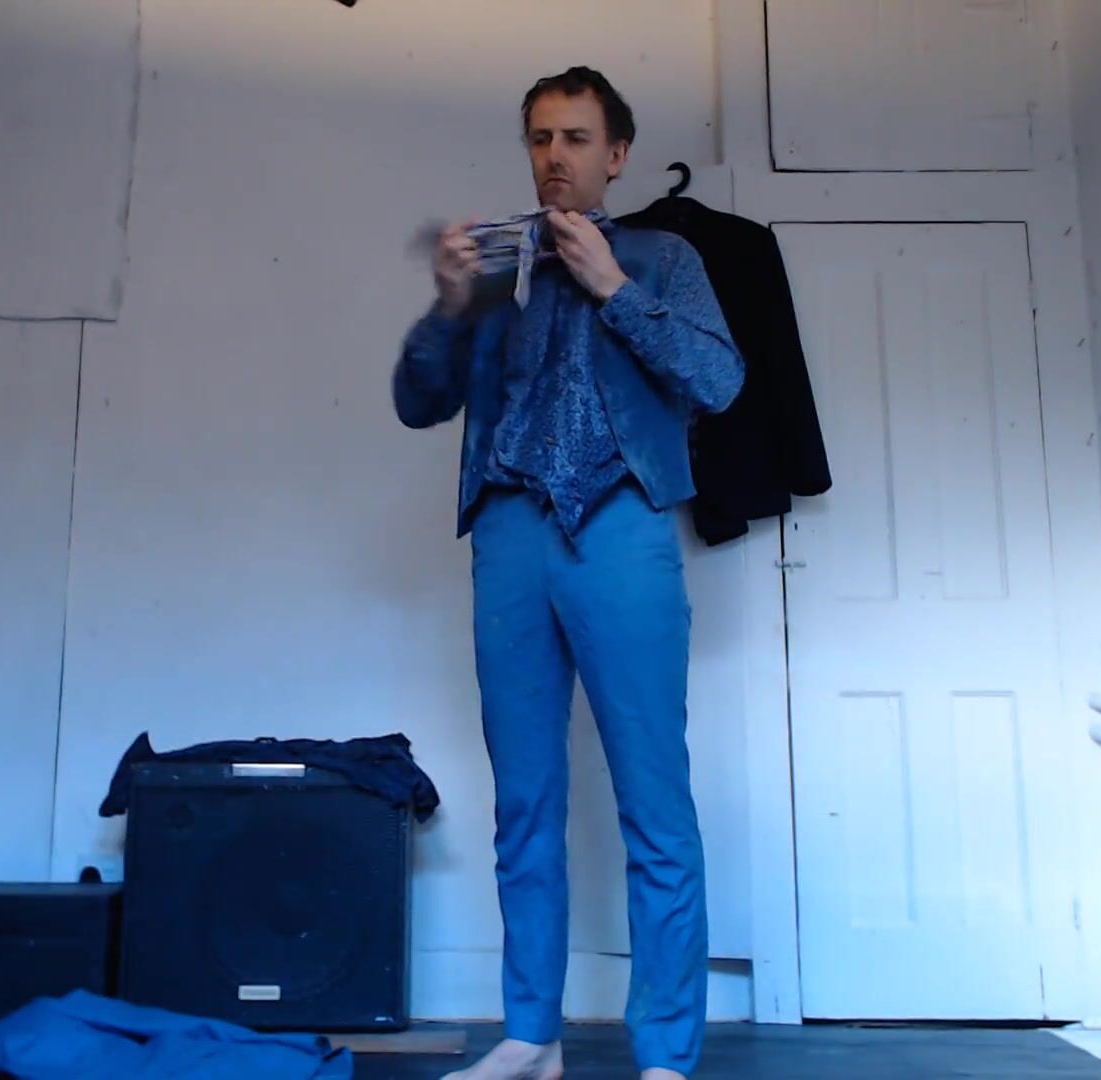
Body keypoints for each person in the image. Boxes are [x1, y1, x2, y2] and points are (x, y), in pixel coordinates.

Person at [392, 67, 743, 1080]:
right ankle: (530, 1036)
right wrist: (447, 306)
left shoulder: (664, 256)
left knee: (654, 798)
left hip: (622, 527)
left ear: (617, 154)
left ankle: (665, 1054)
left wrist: (614, 288)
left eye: (577, 138)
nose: (556, 155)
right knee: (525, 800)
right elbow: (418, 402)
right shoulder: (498, 268)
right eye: (542, 137)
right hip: (509, 532)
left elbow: (720, 381)